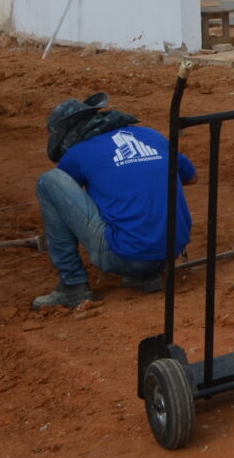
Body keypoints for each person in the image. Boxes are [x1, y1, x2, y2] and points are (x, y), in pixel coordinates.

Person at [32, 92, 196, 310]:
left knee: (49, 182)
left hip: (126, 256)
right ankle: (147, 276)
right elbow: (192, 177)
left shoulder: (78, 153)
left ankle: (72, 285)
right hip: (170, 252)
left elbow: (66, 201)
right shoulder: (151, 136)